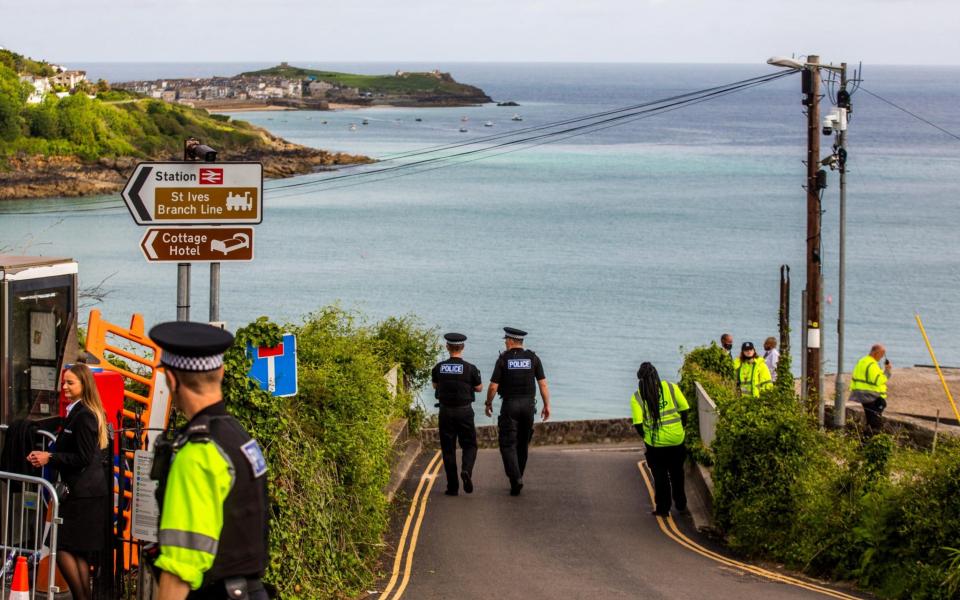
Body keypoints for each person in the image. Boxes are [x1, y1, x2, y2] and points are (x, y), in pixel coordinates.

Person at [148, 321, 269, 600]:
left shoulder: (196, 453)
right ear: (221, 371)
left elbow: (180, 568)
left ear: (172, 380)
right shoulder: (239, 437)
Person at [27, 364, 111, 600]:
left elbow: (83, 457)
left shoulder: (84, 416)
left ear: (84, 385)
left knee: (61, 546)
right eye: (64, 382)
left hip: (83, 495)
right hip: (84, 493)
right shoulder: (79, 412)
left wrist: (50, 457)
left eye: (70, 383)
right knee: (78, 553)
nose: (64, 387)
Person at [485, 327, 551, 496]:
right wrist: (547, 405)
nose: (505, 342)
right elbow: (543, 384)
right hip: (529, 406)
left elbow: (493, 386)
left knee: (507, 444)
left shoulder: (503, 359)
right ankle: (518, 476)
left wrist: (488, 403)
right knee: (522, 443)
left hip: (510, 406)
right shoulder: (533, 358)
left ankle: (515, 478)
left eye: (506, 340)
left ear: (511, 341)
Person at [631, 362, 690, 517]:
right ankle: (681, 503)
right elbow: (684, 409)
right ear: (656, 374)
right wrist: (681, 427)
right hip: (677, 440)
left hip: (655, 444)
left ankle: (663, 509)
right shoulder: (671, 388)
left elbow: (638, 424)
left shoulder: (637, 397)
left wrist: (647, 437)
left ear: (640, 379)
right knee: (677, 473)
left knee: (660, 476)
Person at [431, 332, 482, 496]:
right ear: (463, 347)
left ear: (447, 347)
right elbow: (479, 388)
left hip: (445, 412)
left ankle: (452, 487)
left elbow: (435, 386)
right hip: (465, 411)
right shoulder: (470, 368)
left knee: (448, 449)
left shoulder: (438, 368)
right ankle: (466, 470)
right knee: (470, 445)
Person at [849, 344, 892, 435]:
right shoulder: (872, 364)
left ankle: (868, 433)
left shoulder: (862, 361)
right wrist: (887, 372)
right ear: (876, 353)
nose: (882, 357)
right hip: (869, 393)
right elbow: (878, 380)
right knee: (875, 418)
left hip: (860, 392)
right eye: (881, 354)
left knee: (874, 413)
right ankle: (869, 437)